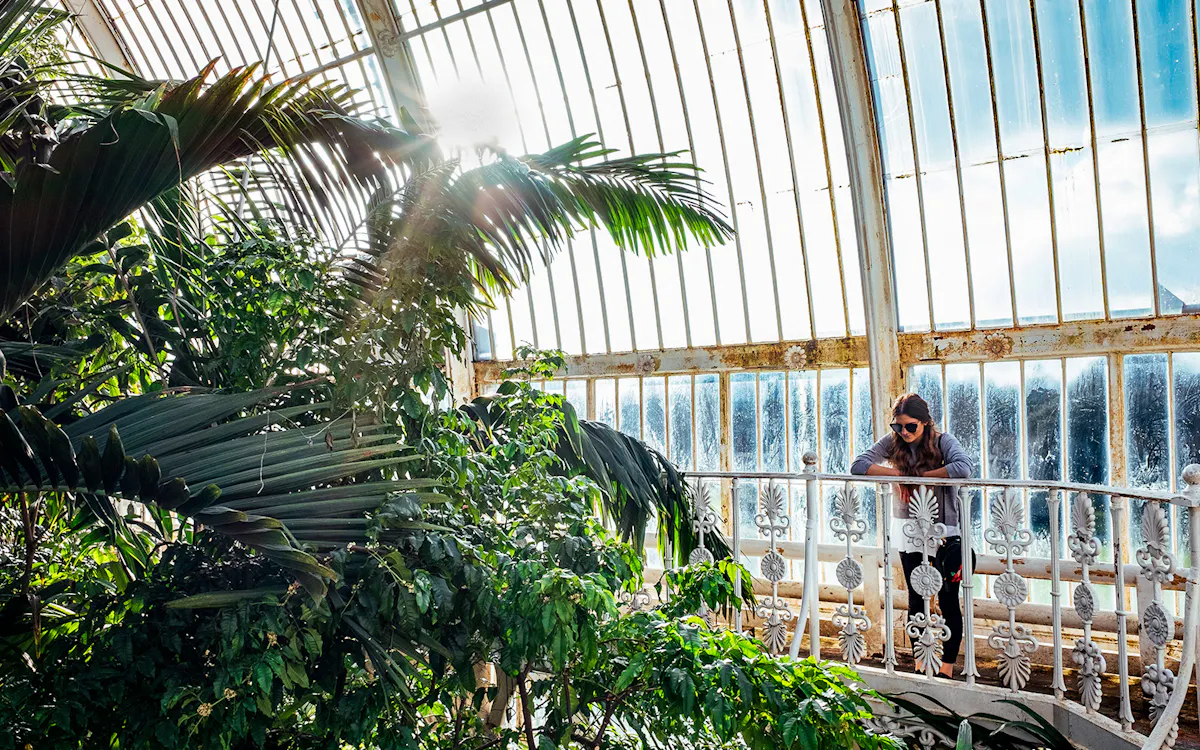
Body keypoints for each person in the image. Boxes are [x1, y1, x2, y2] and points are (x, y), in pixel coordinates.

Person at [850, 393, 973, 678]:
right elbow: (859, 465)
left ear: (926, 423)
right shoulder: (893, 443)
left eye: (910, 427)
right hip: (909, 529)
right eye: (898, 427)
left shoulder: (944, 441)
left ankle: (946, 666)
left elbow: (963, 467)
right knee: (916, 595)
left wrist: (922, 477)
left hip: (945, 530)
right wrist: (898, 477)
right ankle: (920, 663)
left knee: (948, 598)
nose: (904, 433)